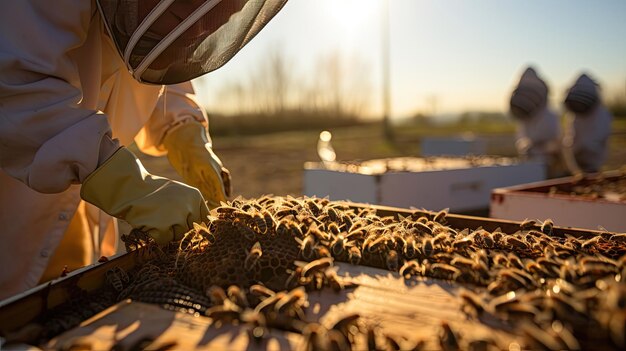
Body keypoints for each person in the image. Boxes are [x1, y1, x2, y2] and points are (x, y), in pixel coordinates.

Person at [0, 0, 287, 300]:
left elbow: (163, 69)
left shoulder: (150, 27)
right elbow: (16, 83)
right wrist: (124, 182)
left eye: (217, 18)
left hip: (82, 225)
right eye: (186, 10)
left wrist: (185, 130)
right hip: (14, 214)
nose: (199, 30)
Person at [509, 66, 567, 178]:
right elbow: (522, 139)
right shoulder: (525, 119)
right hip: (530, 164)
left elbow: (556, 144)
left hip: (548, 165)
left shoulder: (549, 117)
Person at [562, 73, 613, 174]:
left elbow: (599, 139)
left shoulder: (602, 116)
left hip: (594, 163)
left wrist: (586, 147)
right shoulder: (574, 117)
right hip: (577, 161)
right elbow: (571, 136)